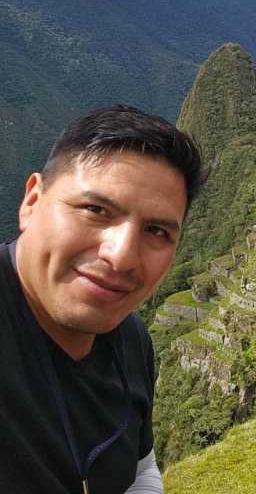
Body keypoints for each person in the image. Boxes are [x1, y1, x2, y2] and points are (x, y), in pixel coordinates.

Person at [0, 105, 205, 493]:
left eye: (157, 231)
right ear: (32, 201)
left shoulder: (132, 341)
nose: (122, 256)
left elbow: (142, 468)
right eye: (95, 210)